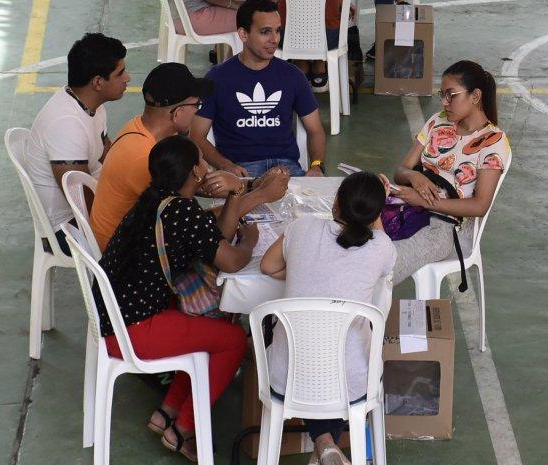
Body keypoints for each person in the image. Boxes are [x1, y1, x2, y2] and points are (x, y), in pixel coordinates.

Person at [95, 136, 288, 462]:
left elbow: (215, 238)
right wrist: (251, 238)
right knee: (232, 341)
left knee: (207, 328)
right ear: (194, 175)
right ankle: (182, 429)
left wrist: (236, 194)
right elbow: (231, 260)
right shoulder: (182, 212)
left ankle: (168, 412)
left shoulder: (160, 200)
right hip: (132, 329)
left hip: (119, 314)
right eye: (202, 161)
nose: (207, 166)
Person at [259, 172, 396, 465]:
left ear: (335, 203)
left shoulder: (302, 226)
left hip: (288, 376)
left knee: (306, 355)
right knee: (340, 360)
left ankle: (323, 443)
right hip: (352, 381)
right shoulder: (382, 247)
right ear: (375, 215)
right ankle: (326, 445)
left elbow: (267, 266)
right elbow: (381, 251)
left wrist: (298, 267)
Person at [89, 62, 244, 251]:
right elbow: (198, 228)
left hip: (132, 236)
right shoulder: (143, 156)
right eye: (196, 105)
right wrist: (255, 194)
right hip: (128, 255)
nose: (197, 111)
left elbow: (194, 184)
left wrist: (247, 185)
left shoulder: (142, 127)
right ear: (177, 113)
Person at [389, 60, 509, 280]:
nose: (444, 103)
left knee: (384, 264)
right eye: (442, 95)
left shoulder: (493, 142)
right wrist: (414, 176)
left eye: (451, 95)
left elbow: (480, 205)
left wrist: (424, 201)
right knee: (359, 234)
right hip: (410, 210)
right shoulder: (438, 122)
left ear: (475, 96)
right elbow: (401, 170)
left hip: (447, 228)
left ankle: (355, 309)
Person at [191, 0, 328, 178]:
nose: (274, 39)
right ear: (243, 34)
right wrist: (226, 166)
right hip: (242, 171)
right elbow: (197, 135)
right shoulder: (217, 78)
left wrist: (316, 166)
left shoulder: (293, 76)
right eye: (265, 32)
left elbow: (315, 130)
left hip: (286, 169)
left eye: (277, 31)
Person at [22, 33, 129, 234]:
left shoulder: (91, 104)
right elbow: (81, 202)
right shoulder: (66, 126)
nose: (127, 78)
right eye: (120, 73)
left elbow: (110, 157)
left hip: (95, 201)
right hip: (69, 229)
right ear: (98, 82)